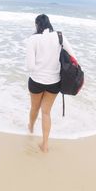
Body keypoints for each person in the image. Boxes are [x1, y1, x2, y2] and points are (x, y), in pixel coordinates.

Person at [25, 14, 76, 153]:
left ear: (37, 25)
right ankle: (45, 145)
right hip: (54, 82)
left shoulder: (33, 39)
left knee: (34, 108)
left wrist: (40, 70)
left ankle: (30, 128)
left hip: (36, 81)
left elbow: (30, 66)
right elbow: (73, 57)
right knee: (46, 113)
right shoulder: (60, 36)